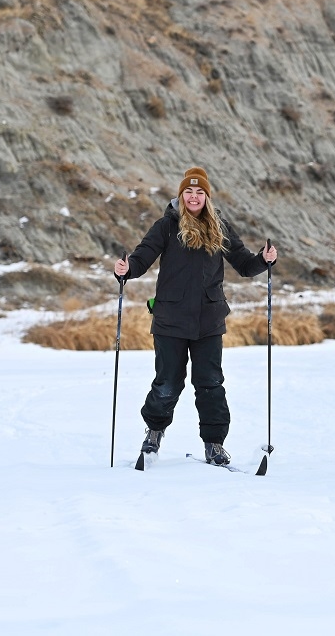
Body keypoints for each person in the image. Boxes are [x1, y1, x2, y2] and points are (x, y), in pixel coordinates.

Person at [114, 166, 278, 467]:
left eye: (199, 192)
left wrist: (264, 260)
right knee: (167, 382)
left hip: (209, 320)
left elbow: (243, 263)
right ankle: (154, 433)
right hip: (170, 319)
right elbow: (142, 256)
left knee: (211, 383)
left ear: (207, 196)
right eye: (188, 192)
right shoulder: (166, 226)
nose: (193, 196)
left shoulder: (220, 226)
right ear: (181, 195)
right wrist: (126, 270)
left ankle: (214, 444)